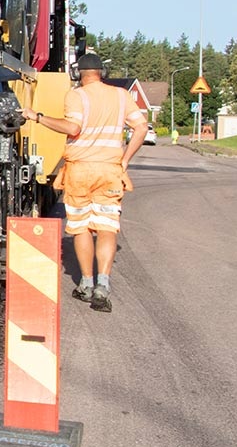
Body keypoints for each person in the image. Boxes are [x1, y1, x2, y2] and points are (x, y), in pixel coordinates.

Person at [21, 53, 148, 313]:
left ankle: (86, 285)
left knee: (80, 229)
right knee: (107, 228)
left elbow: (73, 129)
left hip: (80, 171)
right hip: (110, 171)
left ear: (79, 73)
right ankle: (103, 285)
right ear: (102, 72)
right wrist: (124, 160)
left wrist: (37, 117)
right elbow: (142, 127)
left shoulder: (77, 95)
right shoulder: (121, 95)